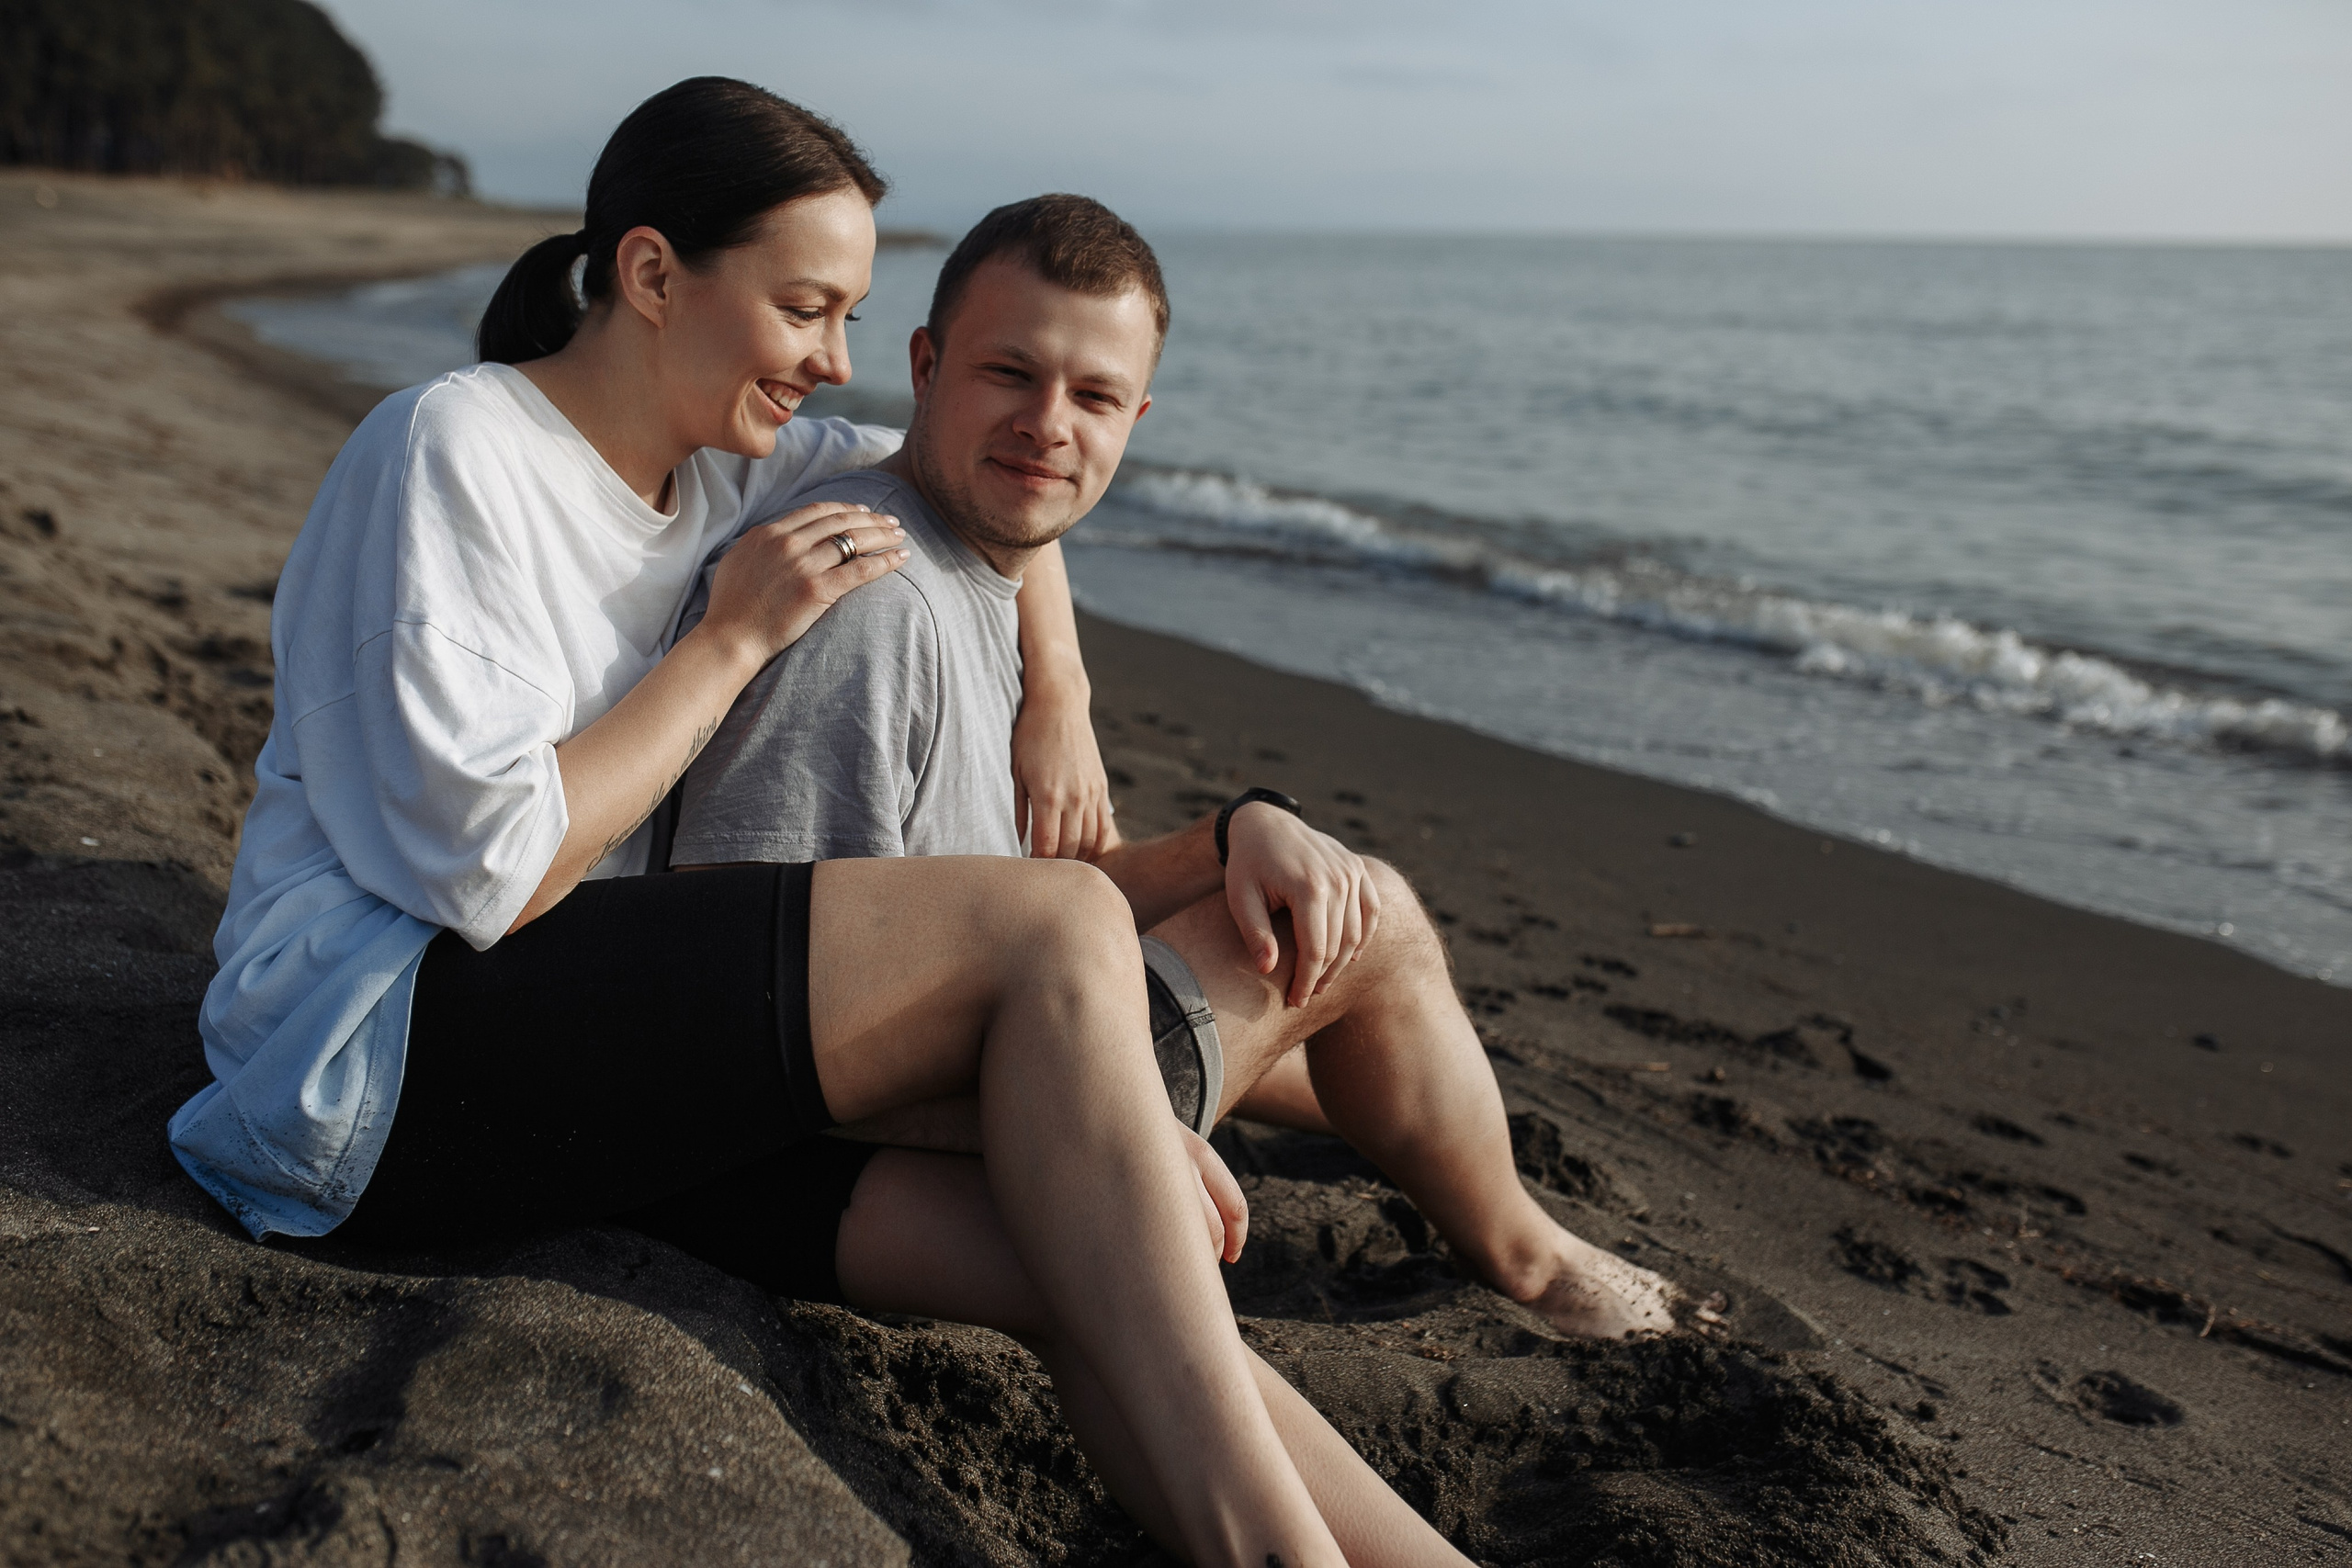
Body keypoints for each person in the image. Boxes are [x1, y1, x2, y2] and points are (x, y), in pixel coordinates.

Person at [165, 76, 1452, 1568]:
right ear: (653, 274)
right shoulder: (448, 452)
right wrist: (726, 642)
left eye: (850, 315)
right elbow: (490, 870)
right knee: (1056, 917)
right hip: (372, 1059)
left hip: (600, 1053)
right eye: (806, 308)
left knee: (1087, 1252)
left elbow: (984, 485)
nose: (834, 362)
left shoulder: (727, 460)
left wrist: (1063, 692)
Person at [669, 195, 1680, 1341]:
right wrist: (1114, 1124)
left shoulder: (983, 562)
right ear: (926, 365)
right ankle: (1533, 1263)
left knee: (1317, 900)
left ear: (1135, 418)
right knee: (1374, 921)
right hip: (937, 1123)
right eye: (1012, 375)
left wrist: (1236, 829)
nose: (1050, 425)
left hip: (1002, 1025)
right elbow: (766, 1030)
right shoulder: (873, 612)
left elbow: (1052, 885)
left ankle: (1455, 1167)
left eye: (1094, 396)